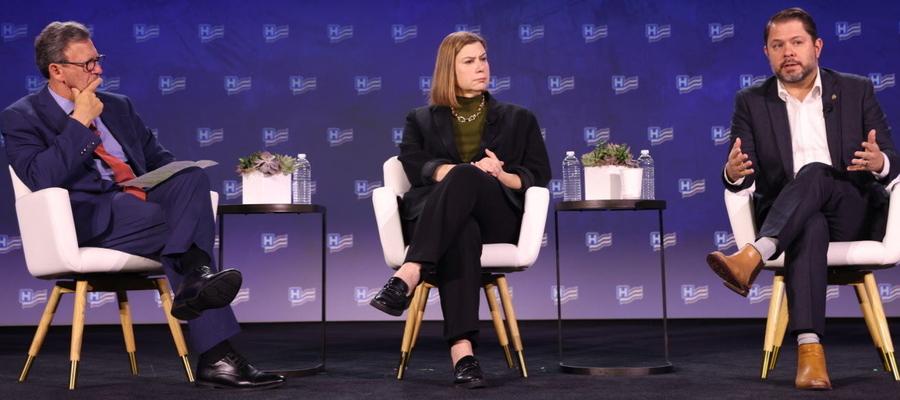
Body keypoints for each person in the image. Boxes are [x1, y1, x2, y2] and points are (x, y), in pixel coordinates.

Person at [1, 21, 284, 390]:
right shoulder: (22, 116)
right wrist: (81, 119)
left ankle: (200, 297)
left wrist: (180, 174)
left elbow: (159, 162)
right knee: (178, 229)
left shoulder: (118, 107)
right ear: (56, 70)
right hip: (89, 217)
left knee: (191, 179)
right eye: (87, 64)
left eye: (98, 59)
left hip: (140, 205)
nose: (98, 70)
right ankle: (211, 336)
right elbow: (41, 178)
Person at [705, 8, 899, 390]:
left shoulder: (856, 89)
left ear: (817, 46)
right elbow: (740, 173)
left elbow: (893, 164)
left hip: (852, 209)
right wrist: (732, 172)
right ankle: (811, 354)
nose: (788, 52)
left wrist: (880, 162)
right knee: (809, 224)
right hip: (792, 219)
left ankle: (752, 255)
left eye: (796, 42)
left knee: (815, 172)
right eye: (778, 45)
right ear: (767, 53)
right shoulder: (752, 101)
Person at [369, 31, 551, 388]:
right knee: (461, 231)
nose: (481, 67)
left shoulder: (518, 118)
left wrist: (501, 174)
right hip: (446, 221)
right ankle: (463, 353)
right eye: (470, 61)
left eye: (483, 58)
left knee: (470, 187)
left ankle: (410, 271)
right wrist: (454, 172)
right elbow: (413, 163)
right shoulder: (420, 119)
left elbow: (538, 174)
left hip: (497, 211)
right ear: (448, 70)